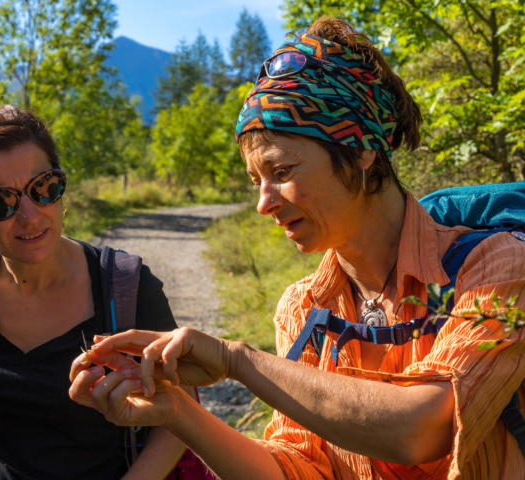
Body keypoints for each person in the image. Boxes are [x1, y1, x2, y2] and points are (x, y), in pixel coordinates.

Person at [69, 17, 525, 479]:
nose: (263, 203)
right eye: (255, 181)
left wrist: (235, 359)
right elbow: (297, 469)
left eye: (282, 171)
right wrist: (178, 412)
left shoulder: (495, 265)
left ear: (362, 149)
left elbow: (423, 430)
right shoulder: (303, 307)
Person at [0, 105, 186, 480]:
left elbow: (182, 410)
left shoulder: (126, 287)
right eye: (0, 202)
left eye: (44, 188)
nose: (30, 215)